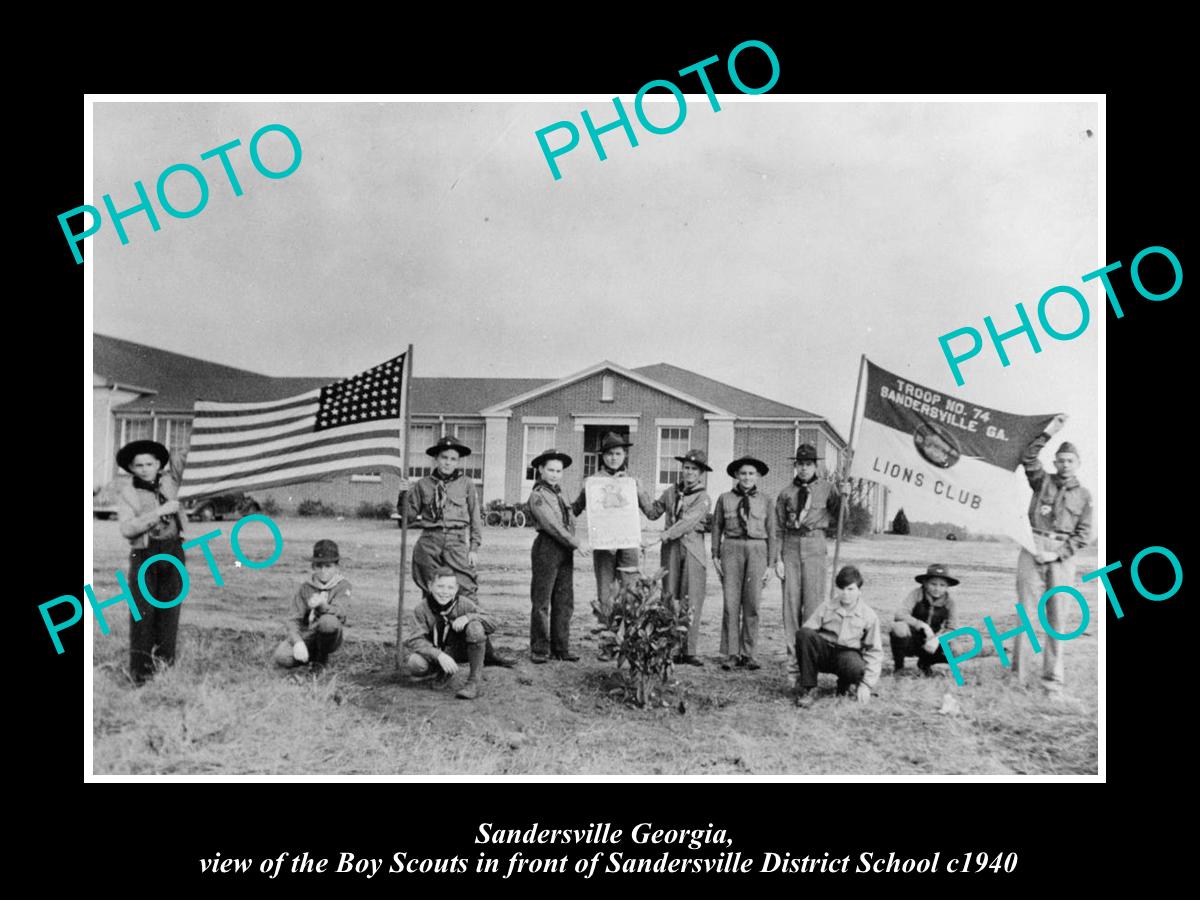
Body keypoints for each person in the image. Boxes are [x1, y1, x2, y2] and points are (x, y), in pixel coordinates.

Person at [1014, 414, 1093, 699]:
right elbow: (1027, 456)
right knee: (1026, 615)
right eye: (1060, 460)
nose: (1064, 465)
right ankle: (1018, 679)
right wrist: (1050, 432)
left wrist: (1056, 555)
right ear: (1055, 462)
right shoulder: (1042, 481)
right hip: (1033, 547)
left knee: (1057, 618)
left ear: (1078, 464)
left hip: (1060, 557)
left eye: (1069, 461)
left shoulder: (1085, 496)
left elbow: (1083, 534)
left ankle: (1052, 682)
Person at [773, 443, 848, 688]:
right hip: (791, 547)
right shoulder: (786, 493)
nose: (804, 469)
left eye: (808, 464)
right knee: (791, 605)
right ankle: (793, 664)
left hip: (815, 545)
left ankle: (810, 662)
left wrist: (844, 497)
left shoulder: (828, 489)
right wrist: (778, 559)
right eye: (800, 464)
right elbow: (778, 528)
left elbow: (841, 518)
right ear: (795, 466)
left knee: (814, 605)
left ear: (816, 466)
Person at [116, 439, 187, 685]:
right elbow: (127, 528)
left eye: (150, 463)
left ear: (159, 464)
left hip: (173, 551)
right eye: (139, 465)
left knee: (170, 611)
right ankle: (141, 674)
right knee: (142, 613)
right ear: (132, 468)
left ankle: (165, 670)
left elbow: (186, 457)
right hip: (144, 553)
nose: (145, 469)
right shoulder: (128, 493)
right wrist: (158, 512)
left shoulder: (171, 481)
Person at [571, 432, 657, 612]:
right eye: (609, 454)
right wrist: (585, 490)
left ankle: (628, 635)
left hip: (628, 543)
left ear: (625, 455)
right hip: (604, 544)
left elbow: (649, 511)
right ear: (603, 456)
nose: (613, 458)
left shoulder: (632, 481)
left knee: (630, 588)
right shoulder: (593, 482)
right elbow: (575, 510)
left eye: (618, 453)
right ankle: (607, 632)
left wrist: (639, 491)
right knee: (605, 590)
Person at [641, 449, 712, 666]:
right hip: (671, 549)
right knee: (669, 596)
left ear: (701, 474)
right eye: (687, 468)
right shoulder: (671, 492)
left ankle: (689, 650)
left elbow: (687, 523)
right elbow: (653, 512)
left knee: (691, 598)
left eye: (694, 469)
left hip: (692, 549)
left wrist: (661, 536)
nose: (689, 473)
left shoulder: (703, 497)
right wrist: (640, 493)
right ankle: (670, 647)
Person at [403, 568, 515, 700]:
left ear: (456, 589)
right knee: (415, 663)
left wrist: (469, 617)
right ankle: (442, 670)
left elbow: (493, 622)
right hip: (438, 653)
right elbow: (416, 640)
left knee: (475, 627)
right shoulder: (421, 609)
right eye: (440, 586)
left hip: (461, 649)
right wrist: (439, 655)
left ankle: (474, 681)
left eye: (450, 587)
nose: (445, 592)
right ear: (430, 586)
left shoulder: (463, 603)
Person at [396, 435, 483, 602]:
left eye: (453, 459)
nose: (448, 463)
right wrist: (403, 494)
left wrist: (473, 548)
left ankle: (468, 624)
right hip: (429, 541)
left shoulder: (466, 484)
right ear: (436, 459)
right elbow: (409, 516)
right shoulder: (423, 484)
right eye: (444, 458)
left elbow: (475, 517)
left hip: (456, 541)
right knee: (431, 588)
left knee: (466, 587)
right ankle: (432, 626)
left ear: (458, 462)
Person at [711, 456, 777, 670]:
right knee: (731, 604)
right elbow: (717, 528)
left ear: (757, 476)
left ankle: (748, 653)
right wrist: (715, 555)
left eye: (751, 473)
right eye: (743, 473)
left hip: (757, 549)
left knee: (753, 603)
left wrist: (771, 564)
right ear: (736, 476)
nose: (747, 477)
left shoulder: (766, 500)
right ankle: (731, 653)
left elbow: (772, 532)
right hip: (731, 549)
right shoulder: (724, 498)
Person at [526, 449, 589, 663]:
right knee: (542, 600)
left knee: (564, 600)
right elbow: (552, 525)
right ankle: (540, 648)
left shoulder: (561, 493)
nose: (554, 474)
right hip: (547, 546)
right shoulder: (538, 495)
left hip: (564, 550)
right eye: (550, 470)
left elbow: (571, 516)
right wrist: (576, 542)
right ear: (541, 470)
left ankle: (561, 648)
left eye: (558, 471)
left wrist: (588, 494)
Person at [794, 565, 884, 707]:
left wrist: (867, 685)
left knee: (855, 666)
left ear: (859, 591)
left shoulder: (869, 615)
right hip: (825, 652)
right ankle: (809, 688)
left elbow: (875, 652)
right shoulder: (826, 606)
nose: (845, 594)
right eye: (841, 588)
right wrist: (795, 671)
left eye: (850, 589)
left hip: (848, 655)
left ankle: (845, 685)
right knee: (804, 634)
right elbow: (805, 637)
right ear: (836, 589)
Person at [272, 539, 351, 671]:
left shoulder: (343, 586)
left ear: (336, 567)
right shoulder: (306, 587)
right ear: (313, 566)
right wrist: (297, 642)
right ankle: (309, 656)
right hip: (308, 633)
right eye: (319, 566)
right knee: (281, 656)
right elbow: (293, 619)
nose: (323, 571)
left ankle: (321, 659)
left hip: (330, 635)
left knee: (328, 622)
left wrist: (322, 605)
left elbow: (340, 611)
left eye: (328, 566)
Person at [890, 564, 959, 675]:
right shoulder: (916, 594)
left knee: (956, 650)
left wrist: (937, 639)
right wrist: (921, 625)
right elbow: (900, 614)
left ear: (947, 587)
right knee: (899, 628)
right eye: (933, 584)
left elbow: (952, 628)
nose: (937, 588)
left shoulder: (950, 603)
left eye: (942, 585)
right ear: (925, 583)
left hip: (933, 642)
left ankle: (925, 663)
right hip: (914, 639)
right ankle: (899, 667)